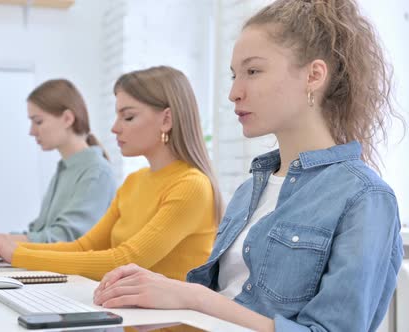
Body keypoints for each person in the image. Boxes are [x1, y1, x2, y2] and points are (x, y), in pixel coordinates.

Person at [93, 1, 405, 331]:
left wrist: (194, 297)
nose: (233, 92)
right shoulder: (248, 192)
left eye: (253, 71)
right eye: (233, 75)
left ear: (313, 76)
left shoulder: (365, 198)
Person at [0, 66, 223, 281]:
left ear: (166, 119)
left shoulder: (191, 186)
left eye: (128, 116)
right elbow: (84, 247)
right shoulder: (134, 182)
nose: (115, 127)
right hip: (129, 318)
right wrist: (11, 250)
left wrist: (17, 254)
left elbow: (124, 260)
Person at [0, 79, 117, 243]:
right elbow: (41, 232)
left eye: (38, 121)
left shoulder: (96, 172)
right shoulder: (65, 168)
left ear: (67, 118)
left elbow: (64, 239)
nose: (32, 131)